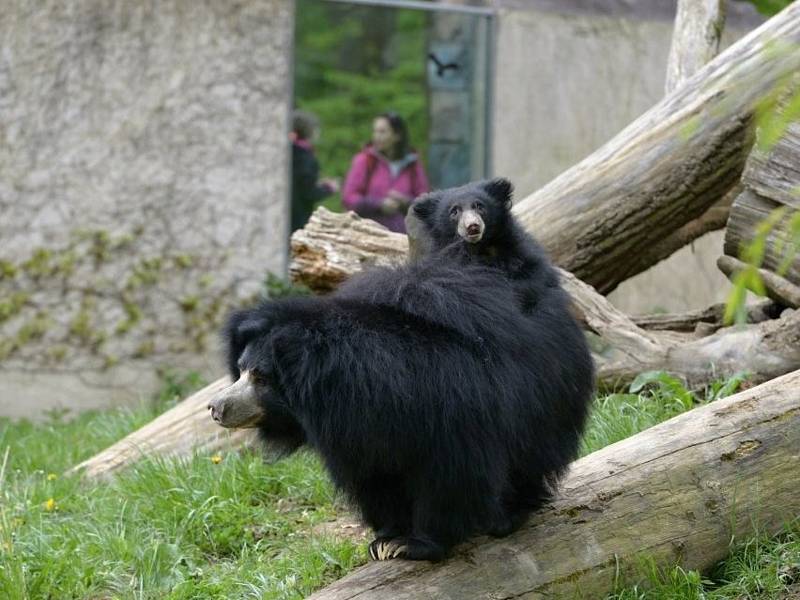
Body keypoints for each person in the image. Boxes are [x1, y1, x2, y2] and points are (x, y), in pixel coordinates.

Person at [342, 111, 430, 233]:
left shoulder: (413, 164)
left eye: (382, 132)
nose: (376, 136)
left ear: (397, 135)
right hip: (366, 236)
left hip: (403, 239)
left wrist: (405, 202)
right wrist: (378, 205)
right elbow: (348, 198)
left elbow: (425, 203)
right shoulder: (364, 160)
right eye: (375, 131)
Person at [290, 110, 340, 232]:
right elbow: (308, 192)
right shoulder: (306, 157)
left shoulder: (288, 151)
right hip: (298, 219)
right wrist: (329, 188)